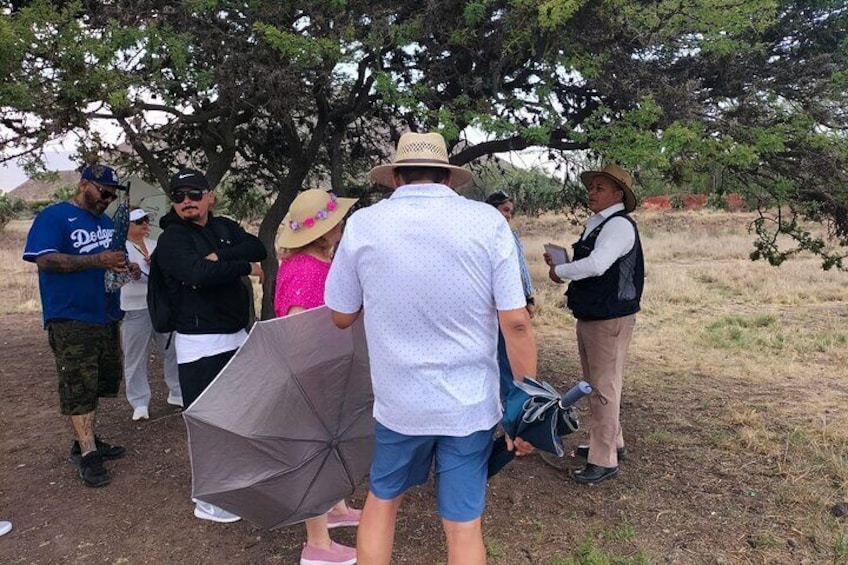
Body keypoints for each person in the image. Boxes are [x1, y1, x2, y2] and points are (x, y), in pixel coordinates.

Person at [325, 132, 538, 565]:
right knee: (463, 526)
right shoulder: (486, 221)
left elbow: (341, 314)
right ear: (448, 177)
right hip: (469, 405)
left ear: (396, 178)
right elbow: (515, 321)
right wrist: (526, 405)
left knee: (382, 502)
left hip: (399, 403)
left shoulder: (365, 223)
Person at [154, 168, 266, 522]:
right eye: (178, 196)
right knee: (207, 421)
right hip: (199, 342)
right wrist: (241, 265)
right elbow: (195, 274)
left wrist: (221, 256)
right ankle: (207, 498)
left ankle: (232, 482)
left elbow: (258, 246)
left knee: (237, 414)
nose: (186, 201)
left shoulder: (224, 227)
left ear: (209, 195)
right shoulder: (171, 239)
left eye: (193, 194)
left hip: (235, 334)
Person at [22, 164, 132, 488]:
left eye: (112, 196)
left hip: (105, 313)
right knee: (78, 384)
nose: (107, 200)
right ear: (84, 183)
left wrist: (126, 268)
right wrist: (97, 260)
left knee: (99, 380)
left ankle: (86, 439)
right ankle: (87, 455)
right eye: (103, 192)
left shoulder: (107, 221)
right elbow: (45, 260)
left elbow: (113, 261)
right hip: (71, 316)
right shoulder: (53, 217)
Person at [544, 164, 644, 485]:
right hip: (594, 314)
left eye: (600, 188)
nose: (592, 192)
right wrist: (566, 266)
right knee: (598, 383)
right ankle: (613, 443)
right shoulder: (599, 224)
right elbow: (592, 264)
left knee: (603, 386)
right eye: (592, 187)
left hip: (608, 318)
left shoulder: (618, 226)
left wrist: (561, 271)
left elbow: (598, 265)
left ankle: (604, 459)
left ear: (618, 195)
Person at [275, 189, 360, 565]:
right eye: (334, 221)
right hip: (313, 376)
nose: (340, 224)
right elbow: (298, 328)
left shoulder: (311, 264)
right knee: (316, 451)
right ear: (322, 232)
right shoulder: (306, 270)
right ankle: (317, 544)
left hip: (325, 371)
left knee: (331, 444)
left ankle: (336, 508)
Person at [121, 209, 182, 421]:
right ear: (127, 225)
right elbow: (117, 277)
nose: (145, 224)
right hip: (135, 306)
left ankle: (177, 391)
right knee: (135, 355)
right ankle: (139, 402)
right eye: (138, 221)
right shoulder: (120, 249)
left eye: (146, 220)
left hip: (161, 304)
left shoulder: (157, 244)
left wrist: (155, 265)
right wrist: (133, 269)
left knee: (172, 349)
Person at [484, 191, 535, 402]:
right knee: (502, 355)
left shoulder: (511, 235)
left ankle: (511, 403)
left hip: (516, 301)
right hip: (497, 305)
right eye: (504, 210)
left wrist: (529, 296)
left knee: (508, 355)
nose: (508, 216)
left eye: (510, 212)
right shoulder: (485, 237)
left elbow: (521, 268)